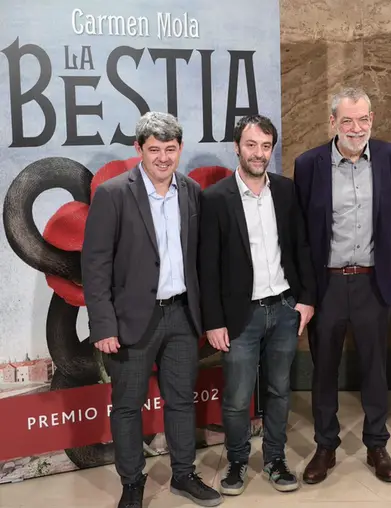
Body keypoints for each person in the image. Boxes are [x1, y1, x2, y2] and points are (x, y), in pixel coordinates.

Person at [82, 112, 222, 508]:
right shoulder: (112, 194)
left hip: (181, 315)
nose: (163, 157)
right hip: (131, 322)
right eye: (155, 149)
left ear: (180, 149)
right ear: (139, 149)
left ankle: (183, 475)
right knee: (127, 405)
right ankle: (131, 483)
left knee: (180, 400)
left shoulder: (192, 191)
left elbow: (200, 261)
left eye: (171, 149)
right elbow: (94, 265)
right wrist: (103, 324)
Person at [293, 87, 391, 484]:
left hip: (372, 282)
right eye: (347, 121)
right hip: (327, 284)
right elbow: (304, 232)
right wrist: (307, 291)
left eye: (363, 120)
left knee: (375, 368)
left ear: (372, 120)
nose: (356, 128)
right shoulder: (309, 164)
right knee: (324, 369)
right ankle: (326, 446)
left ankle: (377, 444)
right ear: (333, 123)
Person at [198, 115, 316, 495]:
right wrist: (213, 322)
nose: (259, 153)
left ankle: (275, 459)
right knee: (236, 396)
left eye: (266, 146)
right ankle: (235, 462)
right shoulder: (215, 199)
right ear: (237, 147)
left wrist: (307, 301)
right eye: (251, 145)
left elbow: (301, 249)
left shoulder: (285, 190)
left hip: (283, 308)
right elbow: (207, 267)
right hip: (240, 316)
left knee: (280, 390)